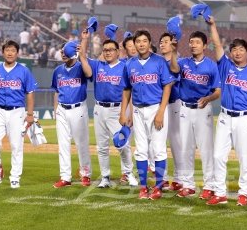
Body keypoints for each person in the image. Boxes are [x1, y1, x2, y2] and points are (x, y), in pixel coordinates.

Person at [205, 17, 247, 206]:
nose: (237, 52)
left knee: (244, 157)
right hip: (224, 116)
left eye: (241, 49)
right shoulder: (225, 66)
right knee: (218, 156)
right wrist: (213, 26)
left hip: (244, 118)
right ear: (230, 53)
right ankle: (220, 192)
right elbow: (216, 44)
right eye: (234, 49)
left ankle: (244, 193)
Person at [119, 29, 175, 200]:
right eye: (138, 41)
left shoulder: (159, 62)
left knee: (158, 149)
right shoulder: (129, 64)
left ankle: (157, 187)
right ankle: (144, 187)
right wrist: (124, 112)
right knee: (141, 150)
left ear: (150, 43)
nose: (141, 44)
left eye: (145, 41)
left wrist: (161, 111)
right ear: (134, 44)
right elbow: (127, 89)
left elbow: (168, 86)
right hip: (137, 110)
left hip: (155, 108)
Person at [79, 31, 138, 188]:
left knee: (122, 144)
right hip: (99, 109)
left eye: (111, 50)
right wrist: (85, 39)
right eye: (105, 50)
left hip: (118, 109)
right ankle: (105, 177)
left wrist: (129, 113)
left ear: (118, 51)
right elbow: (83, 58)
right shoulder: (98, 66)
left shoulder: (125, 67)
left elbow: (129, 91)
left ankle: (128, 173)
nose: (108, 52)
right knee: (102, 146)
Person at [169, 30, 221, 199]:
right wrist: (175, 51)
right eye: (191, 42)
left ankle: (209, 185)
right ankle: (188, 184)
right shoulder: (183, 62)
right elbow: (174, 68)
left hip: (202, 108)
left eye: (197, 42)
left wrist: (209, 98)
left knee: (206, 149)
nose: (193, 45)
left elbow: (218, 91)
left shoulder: (211, 65)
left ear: (205, 45)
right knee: (186, 148)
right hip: (184, 108)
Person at [0, 40, 37, 189]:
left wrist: (30, 114)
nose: (9, 53)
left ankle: (15, 177)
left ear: (17, 53)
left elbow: (30, 93)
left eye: (12, 50)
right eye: (7, 50)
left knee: (16, 145)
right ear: (3, 52)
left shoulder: (24, 71)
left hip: (17, 111)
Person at [51, 41, 92, 188]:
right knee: (63, 145)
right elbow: (56, 91)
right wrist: (56, 109)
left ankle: (85, 174)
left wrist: (81, 55)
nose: (62, 53)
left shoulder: (81, 67)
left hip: (78, 108)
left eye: (65, 51)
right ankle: (65, 177)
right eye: (61, 51)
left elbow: (89, 73)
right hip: (62, 109)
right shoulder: (57, 71)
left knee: (81, 144)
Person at [157, 32, 182, 191]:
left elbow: (173, 75)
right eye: (161, 41)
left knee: (176, 142)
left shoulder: (176, 61)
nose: (162, 44)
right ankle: (163, 178)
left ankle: (179, 178)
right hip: (158, 105)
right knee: (157, 143)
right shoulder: (157, 62)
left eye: (166, 41)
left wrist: (174, 51)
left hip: (174, 104)